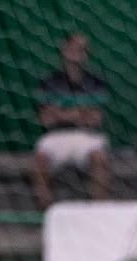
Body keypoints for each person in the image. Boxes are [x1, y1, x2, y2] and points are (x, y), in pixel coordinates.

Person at [32, 32, 110, 209]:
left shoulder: (96, 82)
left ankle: (100, 211)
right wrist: (80, 112)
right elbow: (46, 119)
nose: (77, 52)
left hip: (87, 136)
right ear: (64, 50)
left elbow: (95, 119)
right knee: (40, 160)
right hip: (56, 136)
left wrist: (60, 112)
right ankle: (45, 213)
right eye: (73, 47)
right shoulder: (49, 82)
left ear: (87, 54)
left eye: (82, 49)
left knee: (100, 159)